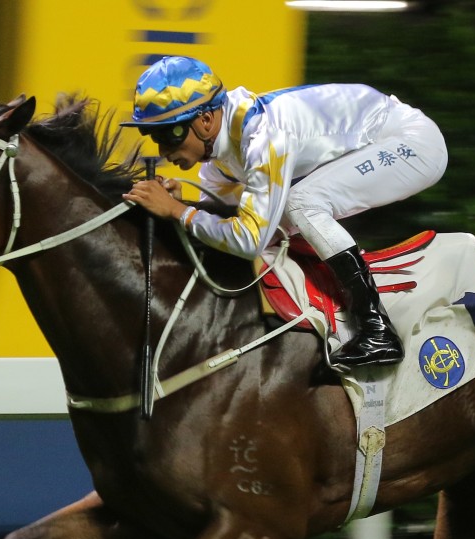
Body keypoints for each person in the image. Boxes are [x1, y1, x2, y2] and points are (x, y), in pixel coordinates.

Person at [121, 56, 448, 371]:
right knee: (283, 216)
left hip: (412, 144)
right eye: (154, 136)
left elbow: (248, 240)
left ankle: (377, 330)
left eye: (170, 134)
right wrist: (185, 205)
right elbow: (226, 219)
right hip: (377, 140)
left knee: (300, 202)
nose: (163, 150)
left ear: (205, 121)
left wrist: (177, 211)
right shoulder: (219, 157)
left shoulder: (265, 137)